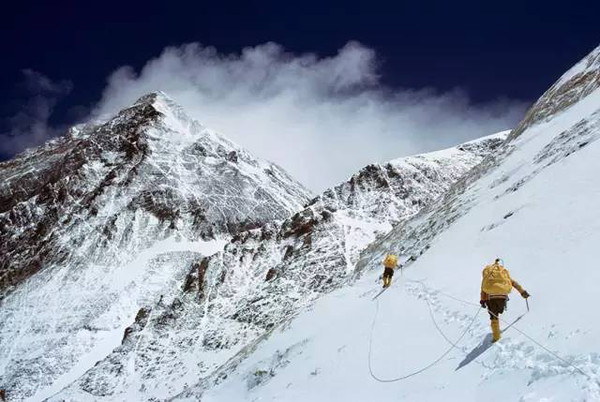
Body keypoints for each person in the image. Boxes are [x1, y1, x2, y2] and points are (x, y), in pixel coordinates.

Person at [480, 258, 530, 342]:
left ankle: (496, 337)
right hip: (502, 297)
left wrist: (482, 300)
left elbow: (483, 289)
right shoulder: (503, 274)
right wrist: (522, 292)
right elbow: (513, 283)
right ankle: (497, 333)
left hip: (491, 298)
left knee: (494, 317)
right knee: (499, 311)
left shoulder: (488, 276)